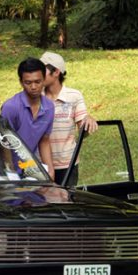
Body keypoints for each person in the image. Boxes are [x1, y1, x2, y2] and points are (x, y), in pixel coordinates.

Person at [40, 51, 98, 185]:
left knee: (66, 202)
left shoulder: (74, 96)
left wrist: (87, 120)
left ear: (56, 72)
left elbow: (84, 132)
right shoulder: (36, 97)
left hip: (68, 165)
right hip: (40, 165)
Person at [1, 57, 55, 180]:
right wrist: (11, 173)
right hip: (4, 172)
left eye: (38, 81)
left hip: (28, 170)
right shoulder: (11, 107)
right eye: (28, 82)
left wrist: (50, 171)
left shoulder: (49, 107)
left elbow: (44, 140)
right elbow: (4, 142)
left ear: (44, 80)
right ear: (21, 82)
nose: (34, 87)